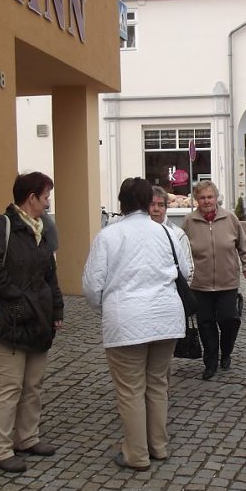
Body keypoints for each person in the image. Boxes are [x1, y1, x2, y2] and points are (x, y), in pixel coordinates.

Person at [82, 177, 189, 471]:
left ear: (121, 203)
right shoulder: (166, 233)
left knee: (130, 389)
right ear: (147, 202)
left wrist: (105, 309)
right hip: (166, 318)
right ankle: (159, 446)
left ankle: (136, 454)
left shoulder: (108, 236)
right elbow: (184, 273)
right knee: (157, 384)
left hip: (126, 320)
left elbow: (92, 286)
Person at [0, 172, 64, 473]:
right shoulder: (0, 227)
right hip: (7, 322)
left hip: (37, 320)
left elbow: (49, 275)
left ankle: (27, 438)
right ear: (31, 198)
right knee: (8, 386)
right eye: (46, 196)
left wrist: (57, 310)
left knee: (33, 385)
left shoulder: (42, 229)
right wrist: (19, 297)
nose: (48, 202)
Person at [182, 180, 246, 380]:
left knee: (228, 320)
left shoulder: (230, 219)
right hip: (200, 284)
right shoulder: (189, 222)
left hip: (227, 281)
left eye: (210, 197)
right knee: (206, 324)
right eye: (202, 197)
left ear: (216, 198)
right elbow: (182, 252)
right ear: (197, 200)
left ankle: (227, 350)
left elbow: (244, 246)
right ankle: (211, 361)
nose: (207, 201)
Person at [151, 186, 193, 283]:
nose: (156, 209)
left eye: (160, 205)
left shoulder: (177, 234)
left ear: (166, 208)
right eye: (152, 204)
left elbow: (188, 270)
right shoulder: (139, 233)